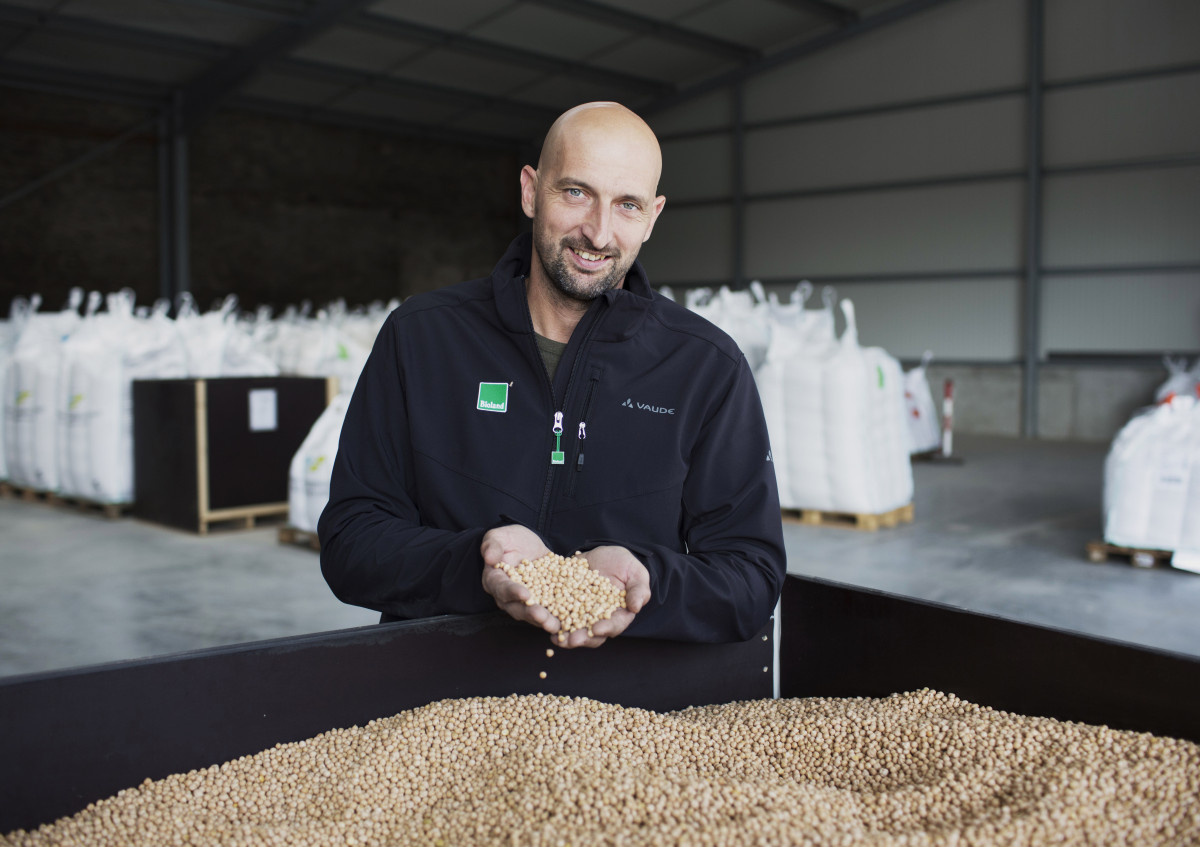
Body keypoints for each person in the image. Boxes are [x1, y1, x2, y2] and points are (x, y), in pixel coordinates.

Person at [318, 102, 785, 648]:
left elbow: (751, 577)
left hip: (628, 711)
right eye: (576, 192)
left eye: (627, 205)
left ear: (653, 217)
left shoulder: (706, 367)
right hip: (440, 699)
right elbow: (352, 543)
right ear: (529, 191)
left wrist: (648, 581)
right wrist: (477, 563)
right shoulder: (421, 338)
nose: (598, 232)